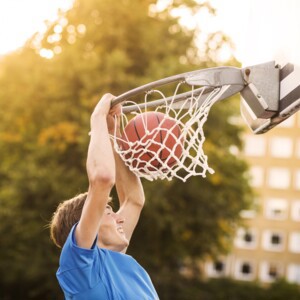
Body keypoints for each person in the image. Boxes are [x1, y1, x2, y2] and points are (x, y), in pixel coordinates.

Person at [50, 93, 159, 299]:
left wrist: (112, 134)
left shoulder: (116, 261)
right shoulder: (80, 268)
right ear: (86, 225)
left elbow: (134, 200)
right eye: (108, 211)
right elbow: (102, 178)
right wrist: (97, 117)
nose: (120, 217)